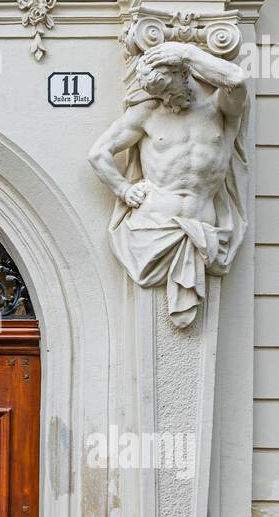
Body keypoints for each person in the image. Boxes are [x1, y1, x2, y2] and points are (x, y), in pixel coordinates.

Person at [88, 40, 248, 328]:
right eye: (158, 95)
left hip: (204, 226)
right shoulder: (148, 113)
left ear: (183, 73)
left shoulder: (220, 109)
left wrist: (188, 53)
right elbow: (98, 153)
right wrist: (124, 189)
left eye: (169, 90)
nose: (167, 100)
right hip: (152, 223)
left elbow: (236, 79)